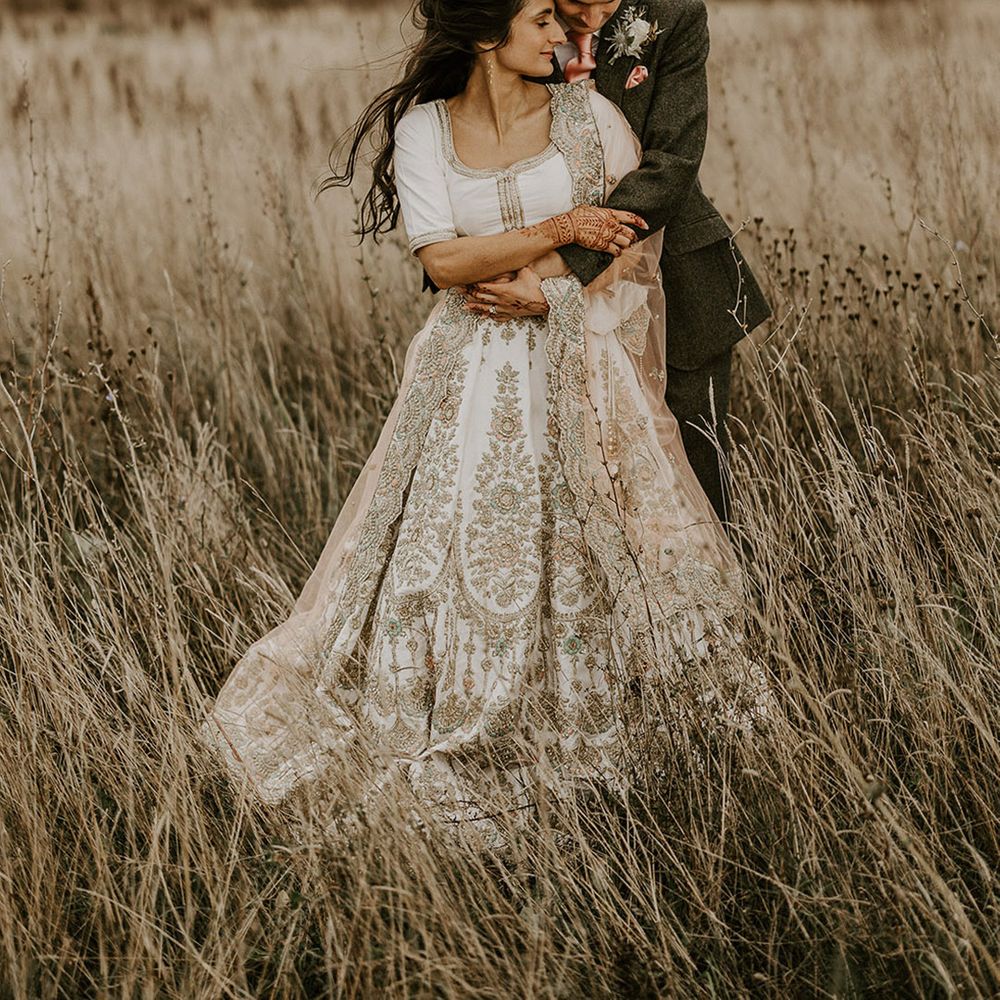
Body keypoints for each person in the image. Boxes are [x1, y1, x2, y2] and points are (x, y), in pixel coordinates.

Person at [199, 0, 764, 852]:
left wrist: (557, 284)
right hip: (466, 368)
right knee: (454, 534)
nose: (565, 40)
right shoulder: (426, 131)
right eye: (542, 20)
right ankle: (447, 699)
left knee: (615, 525)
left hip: (582, 347)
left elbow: (635, 236)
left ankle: (614, 717)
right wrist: (556, 227)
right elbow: (442, 262)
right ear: (486, 33)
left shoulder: (596, 111)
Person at [462, 0, 772, 521]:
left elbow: (670, 163)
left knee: (694, 469)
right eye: (573, 4)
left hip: (677, 278)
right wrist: (481, 258)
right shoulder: (522, 23)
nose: (590, 15)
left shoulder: (675, 16)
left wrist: (561, 267)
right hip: (527, 281)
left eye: (605, 1)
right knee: (568, 466)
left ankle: (724, 600)